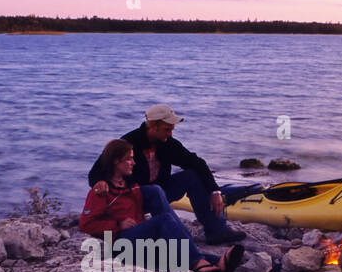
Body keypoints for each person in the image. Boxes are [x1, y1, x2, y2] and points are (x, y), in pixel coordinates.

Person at [80, 139, 243, 272]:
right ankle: (198, 263)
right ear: (116, 161)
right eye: (129, 159)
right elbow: (86, 224)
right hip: (119, 245)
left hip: (139, 243)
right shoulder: (101, 191)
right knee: (164, 219)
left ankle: (218, 263)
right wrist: (117, 225)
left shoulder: (132, 186)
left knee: (173, 249)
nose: (134, 163)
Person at [87, 104, 246, 244]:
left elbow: (197, 163)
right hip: (134, 197)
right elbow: (96, 171)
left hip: (161, 190)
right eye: (167, 129)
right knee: (155, 191)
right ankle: (180, 240)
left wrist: (215, 191)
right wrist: (99, 181)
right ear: (153, 126)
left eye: (172, 129)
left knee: (192, 176)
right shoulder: (128, 142)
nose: (170, 133)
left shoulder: (168, 144)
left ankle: (216, 231)